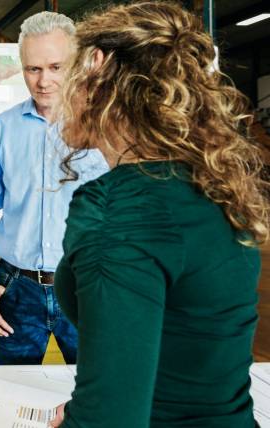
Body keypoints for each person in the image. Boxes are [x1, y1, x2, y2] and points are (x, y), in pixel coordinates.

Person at [49, 2, 268, 426]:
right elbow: (181, 356)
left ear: (96, 66)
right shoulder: (211, 186)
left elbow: (110, 421)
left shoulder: (118, 208)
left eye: (68, 70)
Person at [0, 12, 108, 365]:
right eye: (33, 69)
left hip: (89, 284)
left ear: (77, 65)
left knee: (98, 401)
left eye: (56, 67)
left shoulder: (106, 128)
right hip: (16, 288)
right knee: (12, 397)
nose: (44, 81)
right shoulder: (3, 128)